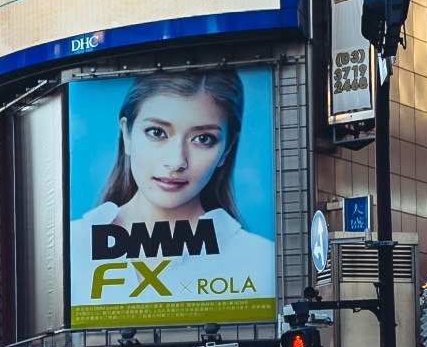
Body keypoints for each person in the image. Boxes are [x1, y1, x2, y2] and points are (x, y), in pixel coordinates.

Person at [71, 70, 275, 317]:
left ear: (227, 148)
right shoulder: (71, 247)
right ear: (126, 133)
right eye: (157, 133)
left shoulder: (262, 261)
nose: (177, 161)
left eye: (203, 139)